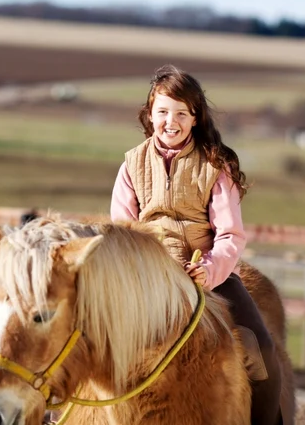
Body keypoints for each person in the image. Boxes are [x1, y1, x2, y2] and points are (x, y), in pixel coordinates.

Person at [110, 64, 282, 425]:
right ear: (150, 114)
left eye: (180, 113)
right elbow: (122, 231)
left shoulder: (217, 164)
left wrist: (209, 270)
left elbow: (231, 234)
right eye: (162, 112)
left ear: (194, 118)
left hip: (208, 274)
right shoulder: (131, 165)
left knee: (261, 350)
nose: (170, 122)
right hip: (150, 277)